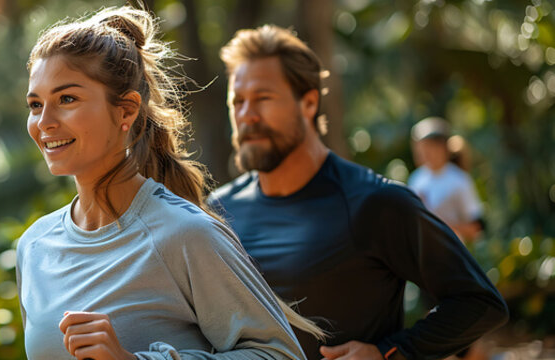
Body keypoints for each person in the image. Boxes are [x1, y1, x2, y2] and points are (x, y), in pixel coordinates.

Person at [14, 7, 327, 360]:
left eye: (67, 99)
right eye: (35, 104)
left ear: (126, 110)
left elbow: (281, 354)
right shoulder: (34, 247)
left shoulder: (186, 234)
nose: (44, 122)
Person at [208, 25, 508, 360]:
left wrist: (389, 353)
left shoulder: (374, 203)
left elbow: (479, 303)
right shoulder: (216, 211)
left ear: (309, 103)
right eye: (237, 101)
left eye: (263, 98)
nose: (246, 115)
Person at [408, 116, 484, 242]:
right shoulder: (415, 179)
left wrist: (439, 225)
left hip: (451, 250)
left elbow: (476, 228)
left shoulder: (459, 180)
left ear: (442, 147)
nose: (424, 152)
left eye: (429, 147)